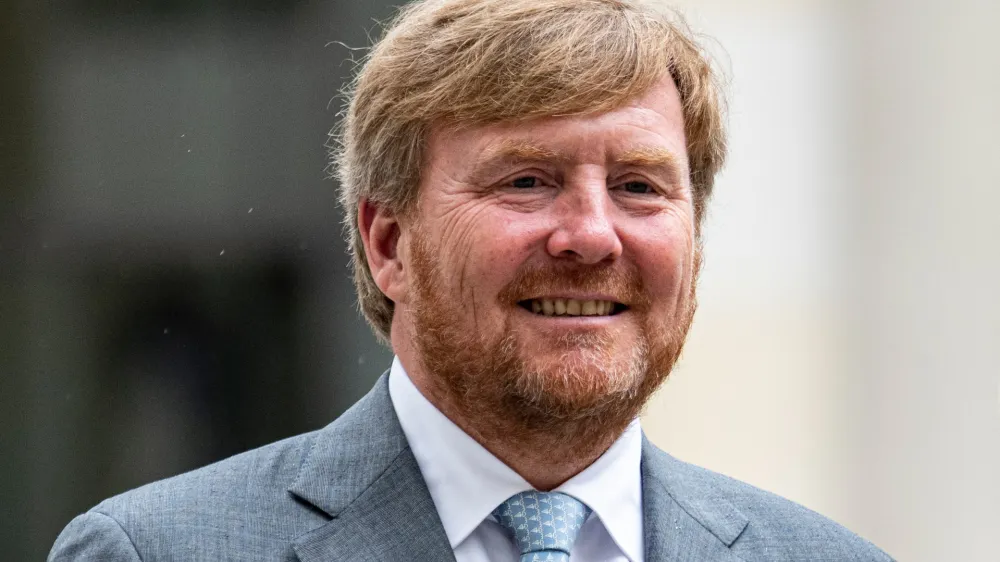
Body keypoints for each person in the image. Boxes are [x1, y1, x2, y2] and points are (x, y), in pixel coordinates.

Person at [50, 0, 894, 560]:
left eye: (639, 186)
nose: (591, 235)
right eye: (526, 181)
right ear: (389, 243)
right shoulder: (155, 552)